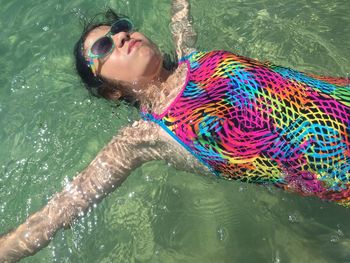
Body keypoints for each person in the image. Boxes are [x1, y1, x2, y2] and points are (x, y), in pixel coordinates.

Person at [0, 0, 349, 261]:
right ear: (111, 91)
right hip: (340, 170)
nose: (121, 36)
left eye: (120, 27)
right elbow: (60, 211)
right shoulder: (142, 139)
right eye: (104, 47)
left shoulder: (189, 55)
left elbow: (180, 10)